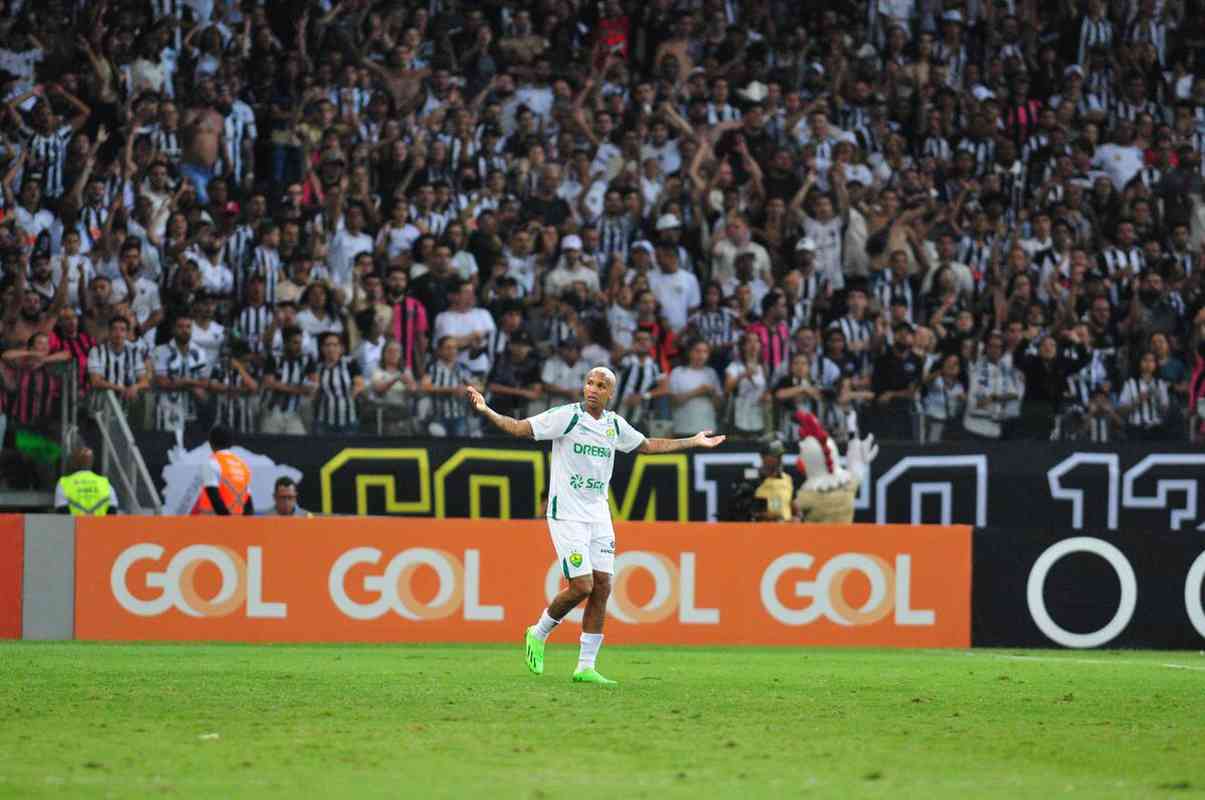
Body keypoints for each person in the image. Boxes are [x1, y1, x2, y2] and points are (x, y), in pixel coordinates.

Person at [466, 368, 726, 685]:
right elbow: (519, 428)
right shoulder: (567, 417)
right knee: (582, 586)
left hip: (598, 514)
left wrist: (694, 441)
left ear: (610, 394)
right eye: (589, 383)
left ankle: (585, 666)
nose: (592, 389)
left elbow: (647, 445)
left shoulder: (613, 425)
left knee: (603, 586)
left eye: (601, 385)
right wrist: (486, 410)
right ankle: (538, 632)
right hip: (567, 514)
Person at [792, 412, 877, 524]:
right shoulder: (849, 484)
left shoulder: (807, 497)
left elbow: (788, 512)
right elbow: (856, 466)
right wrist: (853, 437)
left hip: (815, 541)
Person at [192, 425, 254, 516]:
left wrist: (227, 522)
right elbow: (249, 504)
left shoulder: (211, 463)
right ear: (231, 443)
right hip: (238, 524)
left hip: (213, 524)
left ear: (211, 443)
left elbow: (214, 497)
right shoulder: (242, 465)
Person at [54, 447, 117, 516]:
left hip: (75, 526)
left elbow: (62, 513)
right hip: (101, 526)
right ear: (91, 463)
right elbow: (112, 510)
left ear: (73, 463)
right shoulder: (105, 483)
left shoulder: (64, 483)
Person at [753, 440, 794, 522]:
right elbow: (753, 513)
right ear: (763, 457)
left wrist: (798, 516)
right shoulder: (754, 480)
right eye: (775, 456)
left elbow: (791, 504)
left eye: (780, 456)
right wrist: (776, 518)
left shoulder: (787, 478)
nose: (779, 460)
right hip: (763, 531)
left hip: (787, 531)